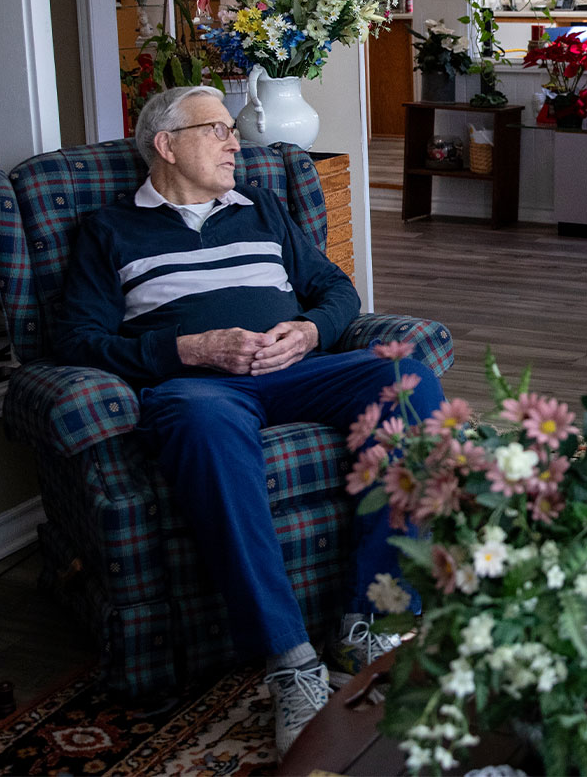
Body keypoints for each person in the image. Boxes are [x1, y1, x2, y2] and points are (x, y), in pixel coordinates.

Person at [53, 85, 444, 754]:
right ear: (166, 144)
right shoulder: (109, 230)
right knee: (201, 421)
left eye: (235, 130)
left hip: (296, 371)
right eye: (218, 130)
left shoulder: (259, 207)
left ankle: (373, 616)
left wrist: (309, 331)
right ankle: (291, 660)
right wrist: (187, 350)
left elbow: (335, 288)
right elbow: (77, 340)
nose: (237, 142)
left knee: (405, 379)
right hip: (200, 389)